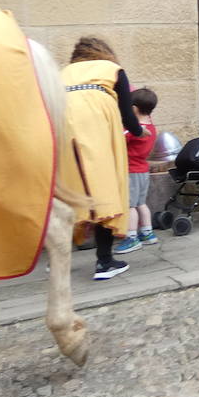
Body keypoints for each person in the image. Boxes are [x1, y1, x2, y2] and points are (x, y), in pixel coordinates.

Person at [60, 36, 143, 280]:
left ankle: (57, 262)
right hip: (96, 126)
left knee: (69, 190)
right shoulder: (113, 69)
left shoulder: (64, 73)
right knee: (103, 190)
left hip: (61, 124)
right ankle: (104, 262)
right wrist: (139, 131)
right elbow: (127, 113)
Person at [113, 88, 159, 255]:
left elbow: (117, 139)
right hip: (142, 170)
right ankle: (147, 233)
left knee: (129, 205)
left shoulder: (134, 130)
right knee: (141, 203)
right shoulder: (151, 127)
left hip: (130, 171)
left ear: (133, 108)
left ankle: (131, 237)